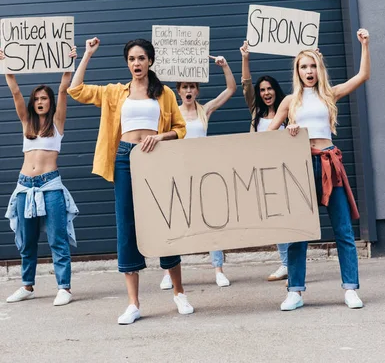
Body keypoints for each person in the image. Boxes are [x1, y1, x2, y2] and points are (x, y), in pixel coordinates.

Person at [67, 37, 194, 325]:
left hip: (155, 158)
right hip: (124, 158)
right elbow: (76, 90)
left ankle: (179, 293)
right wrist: (86, 54)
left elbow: (180, 128)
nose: (136, 63)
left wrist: (159, 136)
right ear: (127, 63)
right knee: (126, 224)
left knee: (165, 220)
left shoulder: (164, 95)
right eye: (131, 59)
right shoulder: (115, 92)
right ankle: (133, 303)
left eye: (141, 58)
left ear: (150, 61)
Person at [268, 29, 370, 311]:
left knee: (343, 229)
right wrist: (288, 130)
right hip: (300, 165)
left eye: (313, 65)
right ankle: (295, 291)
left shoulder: (329, 94)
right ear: (297, 71)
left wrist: (364, 44)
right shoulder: (290, 101)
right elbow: (269, 132)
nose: (309, 70)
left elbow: (362, 77)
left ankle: (350, 288)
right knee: (298, 231)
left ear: (319, 68)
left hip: (328, 162)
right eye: (304, 66)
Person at [2, 47, 78, 307]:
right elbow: (14, 92)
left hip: (50, 185)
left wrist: (70, 63)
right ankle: (27, 285)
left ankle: (64, 287)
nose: (40, 102)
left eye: (44, 98)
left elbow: (64, 89)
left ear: (50, 101)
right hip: (25, 187)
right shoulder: (27, 123)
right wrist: (6, 65)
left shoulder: (57, 123)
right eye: (36, 99)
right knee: (27, 241)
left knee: (57, 238)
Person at [160, 54, 237, 291]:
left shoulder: (205, 110)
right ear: (179, 91)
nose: (189, 90)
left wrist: (225, 66)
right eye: (184, 87)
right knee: (175, 222)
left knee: (212, 222)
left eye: (192, 86)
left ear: (197, 90)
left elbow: (231, 89)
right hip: (179, 171)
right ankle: (168, 272)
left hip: (204, 172)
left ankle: (218, 269)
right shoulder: (172, 113)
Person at [240, 40, 289, 282]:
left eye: (269, 89)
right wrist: (246, 58)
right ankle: (285, 263)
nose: (265, 93)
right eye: (262, 90)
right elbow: (246, 86)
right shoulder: (256, 113)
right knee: (273, 219)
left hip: (287, 171)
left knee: (289, 217)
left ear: (276, 90)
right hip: (263, 171)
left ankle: (293, 262)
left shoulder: (289, 110)